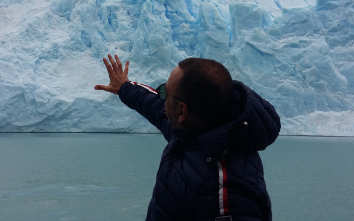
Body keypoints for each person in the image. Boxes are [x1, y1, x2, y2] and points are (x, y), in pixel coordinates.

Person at [94, 54, 281, 221]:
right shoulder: (193, 131)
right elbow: (152, 104)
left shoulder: (226, 190)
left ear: (182, 110)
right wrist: (124, 88)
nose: (162, 100)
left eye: (165, 93)